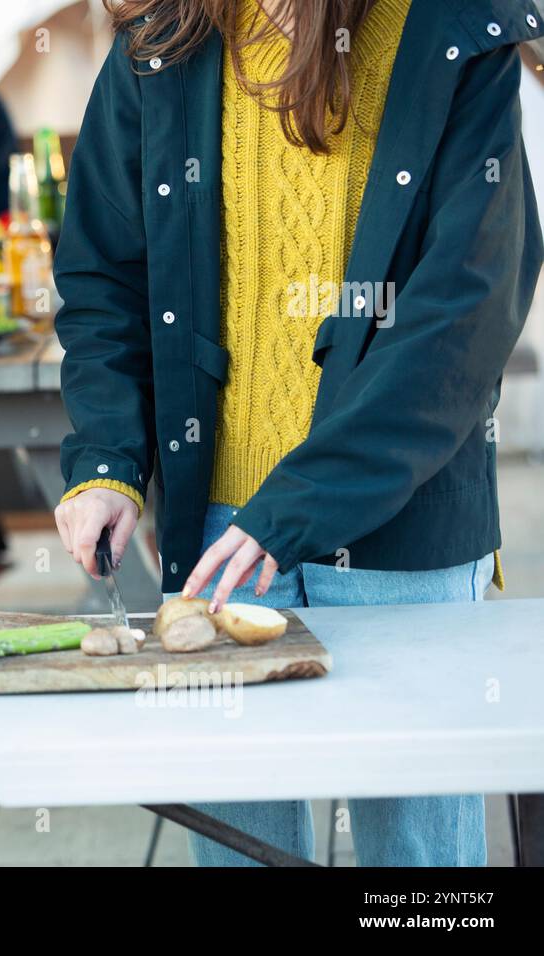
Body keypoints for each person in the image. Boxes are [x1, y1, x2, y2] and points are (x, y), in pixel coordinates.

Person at [53, 0, 542, 865]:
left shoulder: (459, 32)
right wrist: (106, 462)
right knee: (240, 847)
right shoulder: (162, 42)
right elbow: (104, 277)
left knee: (418, 879)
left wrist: (293, 510)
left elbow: (463, 321)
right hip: (218, 535)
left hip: (407, 540)